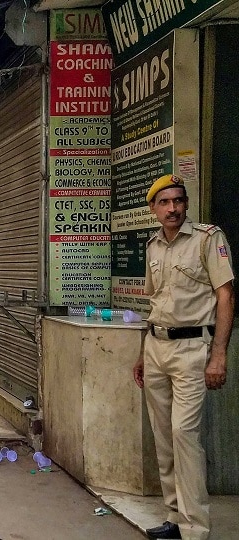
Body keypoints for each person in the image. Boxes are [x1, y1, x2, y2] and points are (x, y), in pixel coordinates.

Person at [133, 174, 234, 540]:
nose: (173, 208)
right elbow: (155, 302)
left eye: (178, 200)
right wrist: (143, 353)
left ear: (186, 204)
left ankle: (195, 530)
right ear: (153, 209)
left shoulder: (208, 239)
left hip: (193, 349)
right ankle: (174, 519)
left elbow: (226, 296)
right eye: (164, 202)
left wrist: (218, 354)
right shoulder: (153, 246)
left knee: (183, 434)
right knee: (163, 437)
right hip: (157, 346)